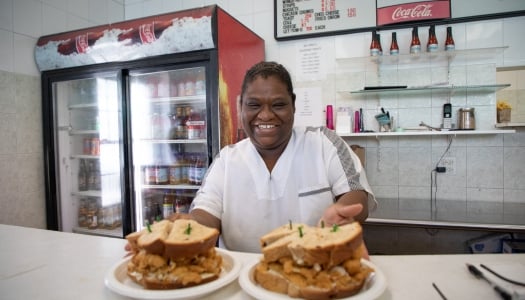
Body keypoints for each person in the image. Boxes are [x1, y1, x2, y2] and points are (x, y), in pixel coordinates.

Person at [173, 61, 376, 253]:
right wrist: (189, 226)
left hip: (315, 270)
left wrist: (342, 214)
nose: (266, 115)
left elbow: (356, 195)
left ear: (293, 105)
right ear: (240, 107)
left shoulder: (324, 143)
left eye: (278, 105)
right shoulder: (226, 160)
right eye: (254, 105)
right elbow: (205, 213)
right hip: (241, 280)